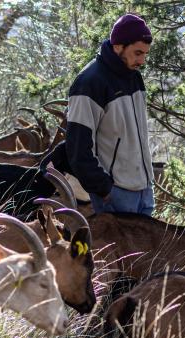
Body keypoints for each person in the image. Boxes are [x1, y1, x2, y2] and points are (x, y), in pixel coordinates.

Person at [65, 13, 155, 216]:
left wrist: (146, 182)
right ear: (118, 46)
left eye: (145, 54)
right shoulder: (89, 82)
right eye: (137, 53)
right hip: (115, 194)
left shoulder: (134, 77)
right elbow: (78, 148)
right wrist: (103, 188)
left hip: (144, 191)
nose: (142, 60)